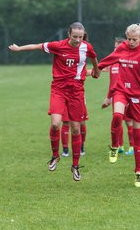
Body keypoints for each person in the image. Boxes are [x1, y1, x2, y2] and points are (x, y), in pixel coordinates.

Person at [9, 22, 99, 181]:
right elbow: (37, 46)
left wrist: (97, 70)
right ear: (69, 34)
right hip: (58, 89)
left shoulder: (86, 47)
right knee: (56, 124)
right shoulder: (58, 46)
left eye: (80, 37)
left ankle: (75, 166)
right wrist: (19, 48)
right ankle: (55, 156)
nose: (77, 40)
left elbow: (94, 58)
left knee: (76, 129)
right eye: (74, 36)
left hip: (77, 91)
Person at [95, 23, 140, 187]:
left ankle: (138, 172)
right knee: (117, 115)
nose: (131, 42)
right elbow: (108, 59)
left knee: (138, 135)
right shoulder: (122, 48)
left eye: (134, 40)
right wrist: (97, 68)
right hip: (121, 91)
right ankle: (115, 146)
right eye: (129, 39)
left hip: (138, 95)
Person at [101, 37, 134, 161]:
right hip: (116, 95)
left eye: (117, 47)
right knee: (117, 120)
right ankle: (119, 146)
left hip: (128, 94)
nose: (115, 49)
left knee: (128, 121)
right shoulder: (113, 62)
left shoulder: (128, 61)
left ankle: (132, 147)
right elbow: (100, 70)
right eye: (114, 47)